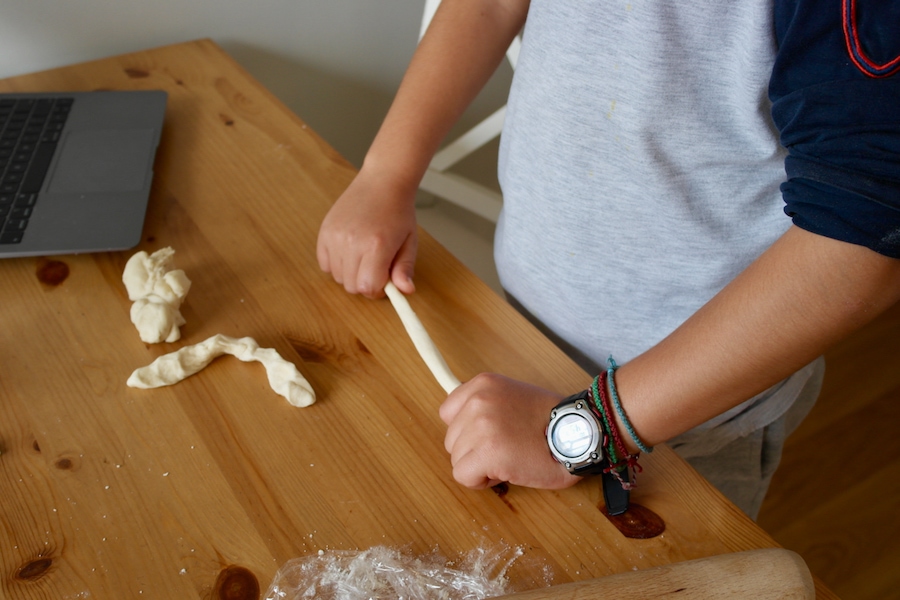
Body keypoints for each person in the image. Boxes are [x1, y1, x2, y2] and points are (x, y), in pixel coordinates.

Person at [316, 0, 900, 518]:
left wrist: (591, 429)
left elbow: (860, 238)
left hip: (686, 413)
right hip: (522, 330)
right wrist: (386, 175)